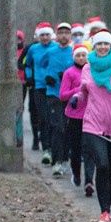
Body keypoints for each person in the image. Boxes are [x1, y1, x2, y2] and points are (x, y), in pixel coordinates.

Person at [71, 30, 111, 222]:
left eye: (106, 44)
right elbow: (83, 91)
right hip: (93, 123)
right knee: (102, 165)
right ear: (94, 47)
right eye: (99, 44)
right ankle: (104, 211)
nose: (103, 47)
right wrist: (76, 99)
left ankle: (108, 209)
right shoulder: (87, 68)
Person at [59, 43, 95, 195]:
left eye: (84, 55)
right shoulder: (69, 73)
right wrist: (78, 89)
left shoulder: (92, 71)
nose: (81, 58)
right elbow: (62, 95)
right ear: (74, 57)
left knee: (89, 150)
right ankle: (76, 173)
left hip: (91, 116)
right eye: (78, 55)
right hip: (74, 116)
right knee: (76, 149)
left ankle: (89, 181)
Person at [41, 22, 75, 176]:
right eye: (60, 32)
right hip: (53, 93)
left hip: (71, 95)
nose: (63, 35)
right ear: (56, 35)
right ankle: (57, 161)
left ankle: (66, 159)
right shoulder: (50, 51)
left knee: (68, 129)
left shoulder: (74, 51)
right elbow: (41, 66)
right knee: (57, 127)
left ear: (70, 35)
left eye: (66, 33)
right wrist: (46, 77)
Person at [24, 22, 57, 164]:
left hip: (54, 87)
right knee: (43, 118)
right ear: (38, 36)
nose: (44, 37)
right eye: (42, 35)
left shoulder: (56, 48)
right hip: (39, 86)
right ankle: (46, 149)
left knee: (54, 119)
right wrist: (29, 76)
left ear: (51, 36)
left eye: (47, 35)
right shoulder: (33, 49)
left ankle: (56, 148)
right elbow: (27, 64)